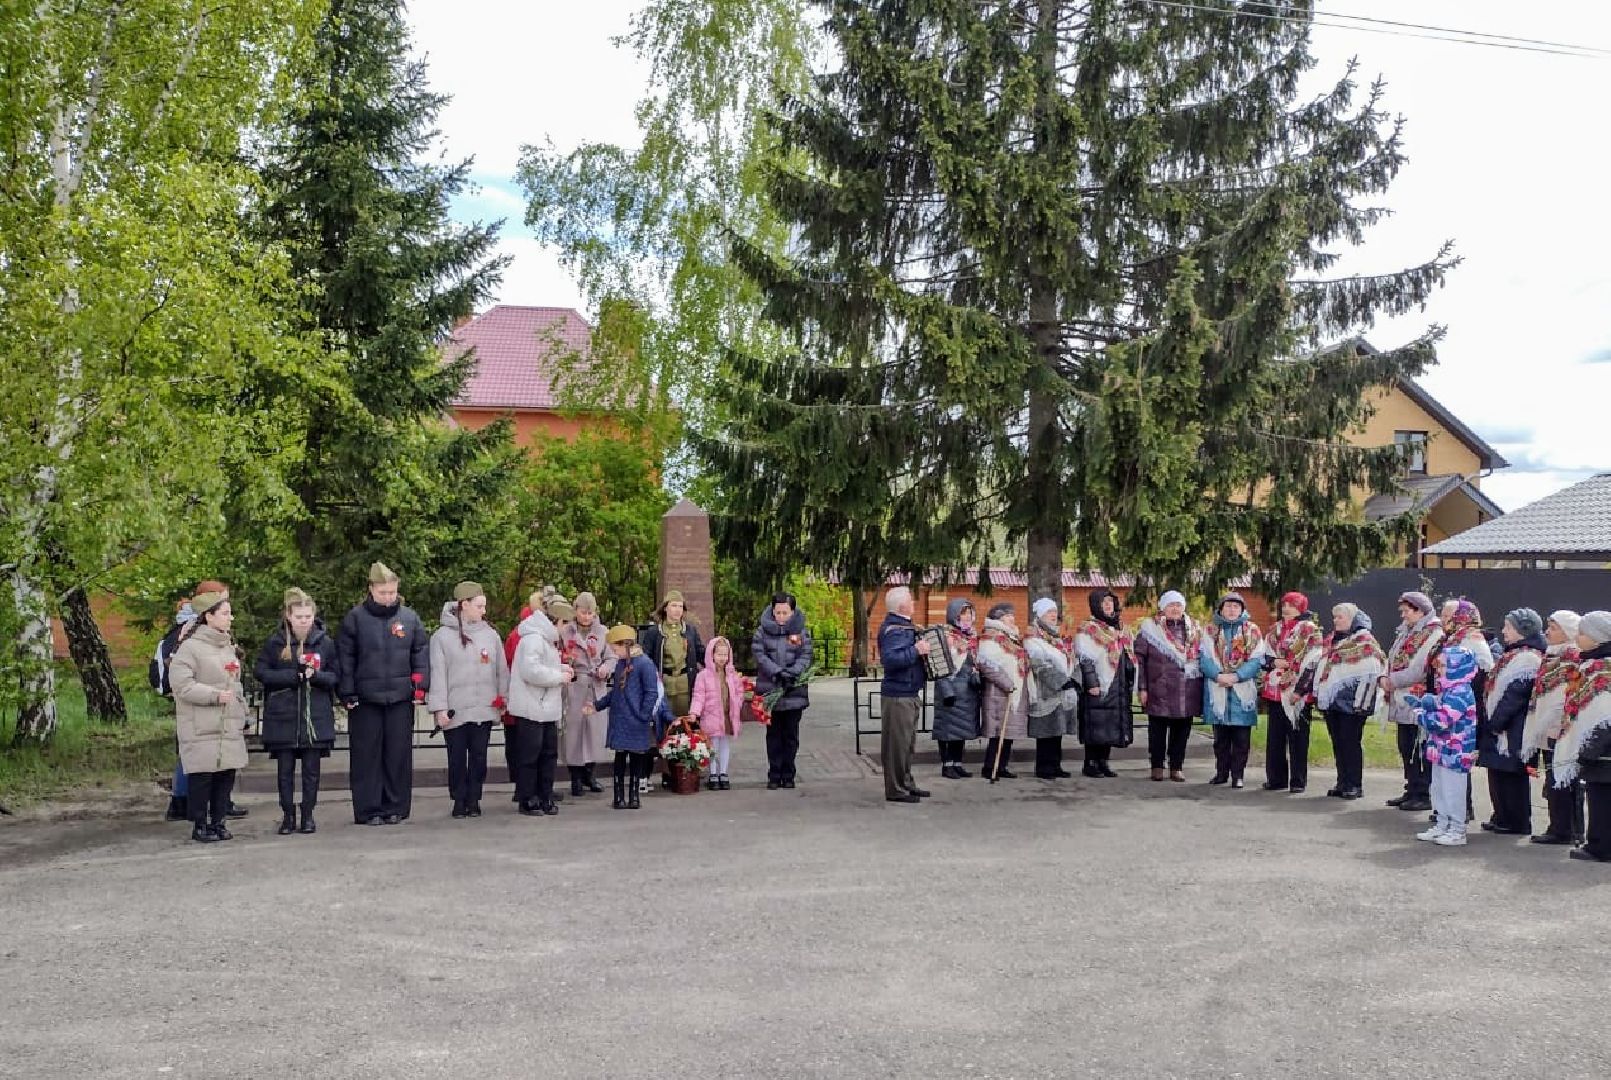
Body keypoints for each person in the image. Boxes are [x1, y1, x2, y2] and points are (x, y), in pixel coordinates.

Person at [338, 562, 430, 826]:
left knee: (398, 755)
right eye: (383, 592)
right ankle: (369, 809)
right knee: (367, 756)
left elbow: (419, 653)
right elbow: (347, 658)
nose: (388, 597)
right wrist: (348, 691)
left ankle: (396, 807)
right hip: (366, 699)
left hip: (400, 698)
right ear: (371, 590)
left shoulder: (409, 618)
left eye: (392, 592)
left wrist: (420, 685)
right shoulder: (355, 618)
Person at [153, 580, 245, 823]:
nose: (230, 618)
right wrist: (214, 695)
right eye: (225, 613)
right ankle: (199, 823)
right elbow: (182, 685)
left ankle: (217, 821)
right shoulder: (189, 645)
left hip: (225, 723)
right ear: (209, 616)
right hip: (201, 725)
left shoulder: (225, 645)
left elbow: (234, 682)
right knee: (202, 777)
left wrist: (240, 709)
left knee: (224, 776)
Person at [254, 588, 340, 836]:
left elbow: (336, 675)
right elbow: (261, 673)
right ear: (289, 617)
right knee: (285, 771)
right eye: (299, 616)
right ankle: (287, 815)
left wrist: (317, 676)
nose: (304, 620)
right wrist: (291, 677)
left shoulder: (325, 643)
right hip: (284, 716)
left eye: (308, 616)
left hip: (315, 716)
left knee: (312, 771)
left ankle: (308, 814)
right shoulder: (276, 642)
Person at [427, 582, 510, 819]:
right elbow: (438, 673)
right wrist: (439, 708)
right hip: (455, 708)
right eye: (479, 606)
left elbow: (501, 670)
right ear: (464, 605)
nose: (484, 611)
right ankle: (458, 798)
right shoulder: (442, 637)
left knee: (479, 756)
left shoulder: (490, 635)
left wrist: (503, 698)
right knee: (456, 757)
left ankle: (474, 798)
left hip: (484, 706)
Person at [1476, 608, 1546, 837]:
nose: (1504, 631)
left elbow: (1516, 695)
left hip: (1513, 728)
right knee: (1498, 773)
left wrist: (1496, 722)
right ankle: (1501, 816)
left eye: (1509, 627)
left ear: (1523, 630)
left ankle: (1516, 821)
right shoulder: (1513, 654)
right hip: (1500, 725)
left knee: (1512, 775)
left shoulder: (1528, 658)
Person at [1552, 611, 1611, 862]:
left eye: (1583, 633)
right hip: (1599, 746)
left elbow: (1604, 714)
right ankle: (1597, 842)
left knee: (1602, 798)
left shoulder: (1603, 669)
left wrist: (1589, 747)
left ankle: (1601, 847)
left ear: (1598, 638)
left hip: (1603, 747)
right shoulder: (1590, 664)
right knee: (1598, 795)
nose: (1578, 637)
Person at [1521, 611, 1583, 846]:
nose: (1547, 632)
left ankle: (1567, 830)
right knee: (1553, 779)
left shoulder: (1572, 657)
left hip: (1562, 729)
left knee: (1565, 780)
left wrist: (1551, 722)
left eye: (1554, 627)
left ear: (1568, 632)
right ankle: (1559, 827)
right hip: (1548, 728)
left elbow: (1565, 696)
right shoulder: (1552, 656)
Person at [507, 601, 574, 816]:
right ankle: (528, 798)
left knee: (548, 754)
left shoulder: (545, 640)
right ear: (557, 622)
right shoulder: (533, 639)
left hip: (545, 707)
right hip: (531, 707)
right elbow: (531, 671)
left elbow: (543, 666)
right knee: (530, 756)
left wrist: (561, 668)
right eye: (565, 624)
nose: (565, 630)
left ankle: (545, 795)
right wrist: (559, 677)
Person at [1313, 603, 1385, 800]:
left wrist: (1359, 701)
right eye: (1334, 617)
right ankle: (1342, 781)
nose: (1335, 620)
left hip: (1353, 703)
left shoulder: (1364, 641)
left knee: (1350, 743)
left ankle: (1354, 784)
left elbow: (1373, 668)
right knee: (1338, 743)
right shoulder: (1333, 640)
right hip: (1333, 701)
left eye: (1340, 617)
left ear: (1353, 619)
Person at [1381, 591, 1443, 814]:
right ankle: (1411, 788)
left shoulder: (1433, 633)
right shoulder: (1406, 632)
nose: (1403, 615)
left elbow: (1420, 668)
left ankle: (1423, 792)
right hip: (1400, 697)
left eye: (1407, 611)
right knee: (1405, 745)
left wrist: (1393, 680)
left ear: (1420, 610)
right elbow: (1392, 657)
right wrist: (1385, 677)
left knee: (1419, 745)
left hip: (1417, 698)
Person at [1133, 591, 1204, 782]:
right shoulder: (1150, 629)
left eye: (1178, 605)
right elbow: (1139, 660)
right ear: (1162, 607)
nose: (1175, 608)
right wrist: (1142, 688)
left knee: (1182, 730)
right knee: (1157, 730)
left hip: (1187, 689)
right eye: (1170, 605)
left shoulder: (1194, 629)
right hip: (1159, 689)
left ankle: (1176, 766)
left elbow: (1202, 658)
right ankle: (1156, 765)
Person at [586, 625, 659, 810]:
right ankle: (619, 797)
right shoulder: (620, 664)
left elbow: (651, 692)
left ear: (625, 645)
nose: (613, 652)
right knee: (620, 758)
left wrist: (643, 715)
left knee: (636, 758)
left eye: (615, 648)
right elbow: (615, 694)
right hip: (620, 720)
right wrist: (597, 706)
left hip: (636, 720)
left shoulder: (645, 664)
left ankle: (634, 797)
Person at [1413, 645, 1480, 847]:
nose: (1439, 670)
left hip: (1457, 752)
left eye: (1443, 666)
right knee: (1439, 789)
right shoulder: (1449, 689)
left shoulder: (1460, 692)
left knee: (1453, 792)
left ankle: (1457, 830)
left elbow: (1442, 720)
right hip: (1442, 750)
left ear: (1457, 667)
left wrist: (1420, 714)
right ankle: (1442, 824)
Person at [1198, 593, 1266, 789]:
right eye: (1228, 606)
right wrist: (1218, 676)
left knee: (1241, 739)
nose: (1232, 610)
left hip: (1242, 690)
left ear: (1242, 610)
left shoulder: (1251, 631)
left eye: (1236, 607)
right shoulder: (1210, 630)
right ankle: (1221, 773)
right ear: (1221, 609)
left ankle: (1238, 775)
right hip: (1218, 687)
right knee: (1220, 739)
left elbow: (1256, 660)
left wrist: (1237, 676)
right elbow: (1204, 658)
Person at [641, 590, 705, 789]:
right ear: (665, 608)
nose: (676, 610)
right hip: (664, 684)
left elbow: (702, 653)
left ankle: (686, 770)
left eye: (680, 606)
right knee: (665, 729)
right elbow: (646, 658)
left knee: (686, 728)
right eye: (673, 605)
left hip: (685, 683)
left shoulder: (690, 631)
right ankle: (666, 772)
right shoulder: (655, 632)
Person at [1260, 592, 1323, 794]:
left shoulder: (1310, 630)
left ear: (1302, 608)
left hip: (1298, 692)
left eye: (1292, 605)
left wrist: (1300, 690)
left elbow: (1314, 661)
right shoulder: (1275, 629)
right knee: (1275, 738)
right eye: (1285, 604)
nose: (1287, 608)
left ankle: (1297, 780)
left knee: (1298, 737)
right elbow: (1264, 656)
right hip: (1276, 690)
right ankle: (1276, 779)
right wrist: (1273, 662)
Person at [876, 586, 933, 803]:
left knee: (907, 744)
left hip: (908, 692)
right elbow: (890, 661)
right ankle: (896, 789)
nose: (914, 604)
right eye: (911, 600)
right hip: (898, 694)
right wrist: (916, 650)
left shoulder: (903, 627)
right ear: (902, 606)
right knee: (896, 746)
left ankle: (906, 783)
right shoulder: (895, 630)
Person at [753, 592, 814, 790]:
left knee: (790, 736)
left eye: (784, 613)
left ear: (792, 612)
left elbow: (806, 655)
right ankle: (774, 774)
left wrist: (792, 674)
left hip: (793, 691)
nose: (780, 616)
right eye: (777, 612)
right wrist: (777, 673)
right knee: (773, 736)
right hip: (771, 690)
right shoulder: (762, 632)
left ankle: (788, 773)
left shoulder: (801, 632)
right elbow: (760, 655)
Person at [1075, 588, 1136, 779]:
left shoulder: (1121, 628)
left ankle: (1104, 762)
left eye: (1111, 601)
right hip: (1100, 683)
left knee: (1111, 725)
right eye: (1104, 602)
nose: (1108, 605)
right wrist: (1091, 683)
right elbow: (1085, 659)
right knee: (1096, 723)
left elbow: (1128, 654)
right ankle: (1090, 763)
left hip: (1118, 682)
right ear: (1096, 605)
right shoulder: (1089, 628)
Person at [559, 592, 614, 797]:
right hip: (575, 686)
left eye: (590, 613)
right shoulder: (565, 632)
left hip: (596, 686)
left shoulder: (602, 632)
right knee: (574, 732)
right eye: (583, 612)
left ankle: (590, 774)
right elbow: (559, 655)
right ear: (576, 611)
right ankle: (575, 776)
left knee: (594, 732)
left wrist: (605, 668)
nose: (587, 617)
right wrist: (567, 663)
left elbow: (611, 656)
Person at [977, 601, 1031, 783]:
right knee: (998, 731)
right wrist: (1006, 683)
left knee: (1008, 731)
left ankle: (1002, 766)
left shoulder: (1012, 637)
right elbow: (986, 665)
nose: (1012, 618)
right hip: (999, 691)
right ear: (998, 618)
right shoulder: (990, 637)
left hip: (1012, 691)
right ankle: (990, 767)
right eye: (1008, 616)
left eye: (1012, 615)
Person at [1024, 598, 1077, 780]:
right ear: (1039, 616)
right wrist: (1061, 681)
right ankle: (1043, 767)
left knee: (1057, 731)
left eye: (1054, 612)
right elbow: (1040, 665)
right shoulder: (1033, 639)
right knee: (1046, 732)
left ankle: (1055, 765)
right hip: (1045, 692)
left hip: (1060, 692)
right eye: (1049, 612)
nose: (1053, 616)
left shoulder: (1055, 639)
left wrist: (1071, 679)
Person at [931, 599, 983, 779]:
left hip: (967, 692)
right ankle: (947, 765)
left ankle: (957, 763)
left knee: (961, 729)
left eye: (970, 613)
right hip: (950, 690)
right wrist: (946, 690)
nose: (967, 617)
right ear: (954, 616)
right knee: (947, 730)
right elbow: (939, 664)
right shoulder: (946, 636)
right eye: (963, 614)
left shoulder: (971, 637)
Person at [690, 636, 746, 790]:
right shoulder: (703, 676)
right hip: (711, 715)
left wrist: (737, 703)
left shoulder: (732, 674)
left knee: (725, 744)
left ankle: (723, 773)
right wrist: (695, 712)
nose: (722, 658)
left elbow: (739, 691)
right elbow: (698, 695)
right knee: (712, 745)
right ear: (711, 655)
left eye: (725, 655)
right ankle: (713, 773)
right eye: (719, 654)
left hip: (727, 714)